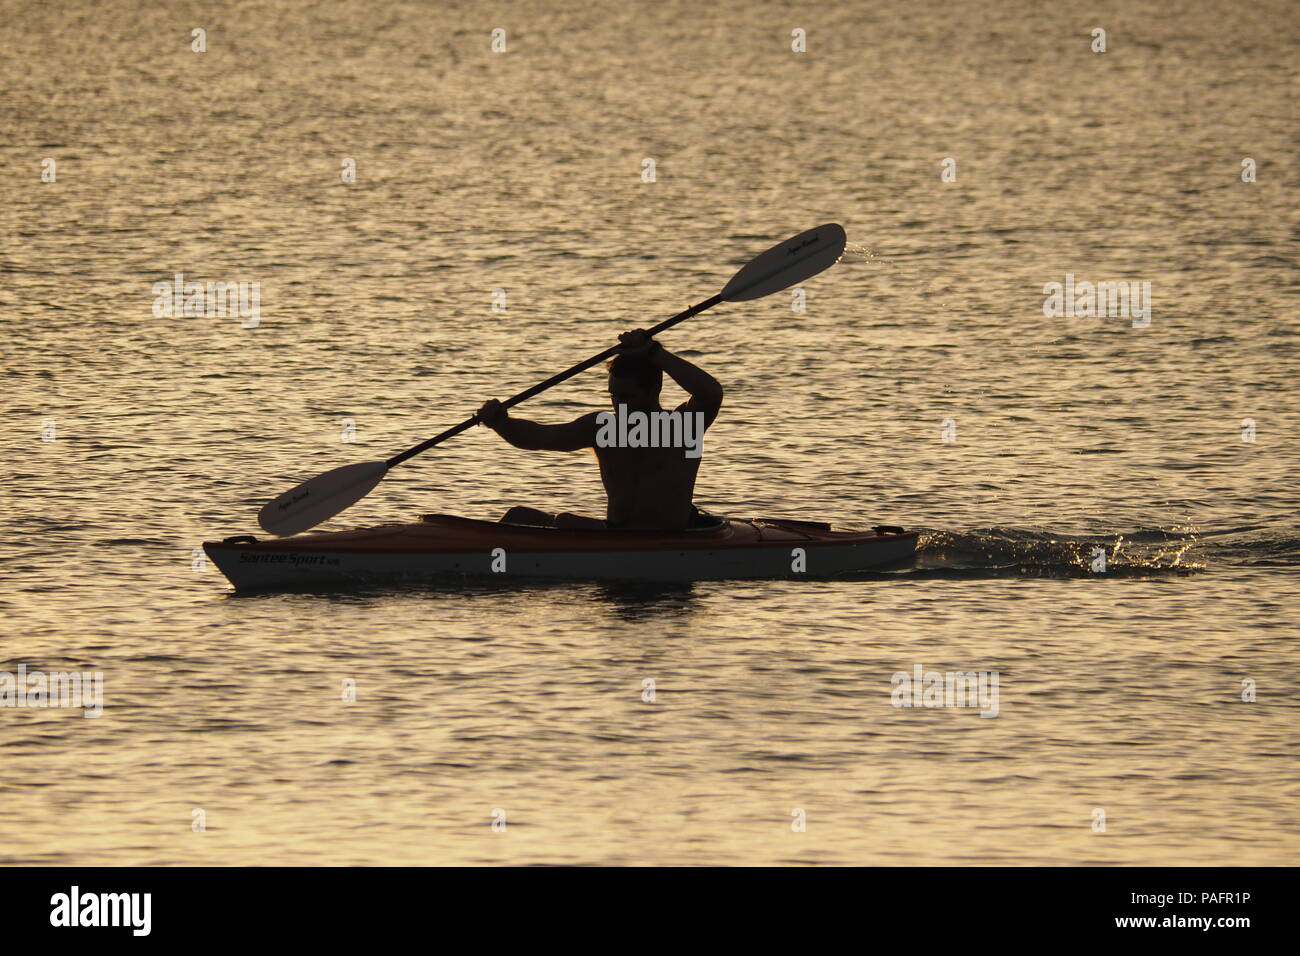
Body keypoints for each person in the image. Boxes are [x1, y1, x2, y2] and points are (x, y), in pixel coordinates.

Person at [476, 329, 724, 530]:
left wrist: (653, 351)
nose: (619, 404)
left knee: (564, 522)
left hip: (667, 537)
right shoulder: (603, 428)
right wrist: (501, 423)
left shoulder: (680, 427)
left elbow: (710, 393)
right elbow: (540, 437)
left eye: (628, 397)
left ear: (654, 390)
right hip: (614, 534)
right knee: (519, 516)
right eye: (614, 396)